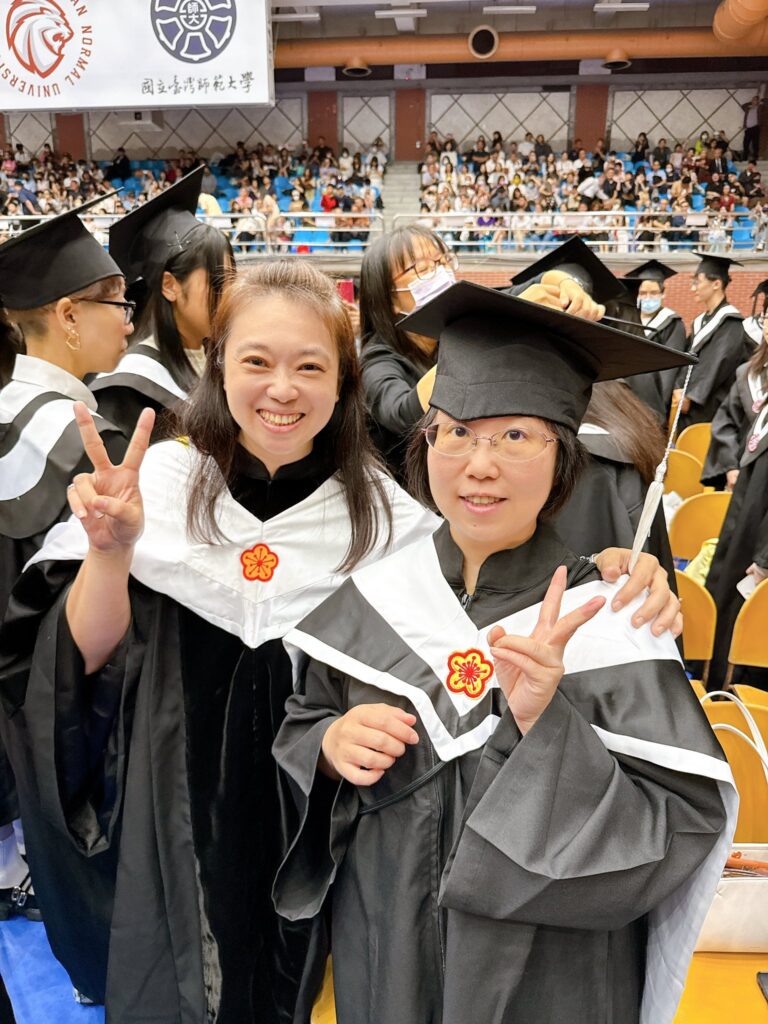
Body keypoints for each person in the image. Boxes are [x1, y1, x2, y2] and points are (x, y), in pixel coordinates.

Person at [272, 281, 733, 1024]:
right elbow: (305, 721)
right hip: (385, 940)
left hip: (549, 971)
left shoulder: (610, 620)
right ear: (426, 445)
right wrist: (327, 746)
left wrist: (547, 727)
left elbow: (677, 825)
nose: (478, 465)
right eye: (455, 432)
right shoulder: (373, 598)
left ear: (564, 459)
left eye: (516, 437)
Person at [0, 260, 436, 1019]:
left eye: (310, 367)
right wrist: (111, 551)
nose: (282, 389)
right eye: (256, 361)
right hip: (170, 830)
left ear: (343, 381)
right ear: (219, 365)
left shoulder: (382, 521)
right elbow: (76, 669)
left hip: (323, 841)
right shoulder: (159, 487)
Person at [0, 200, 131, 971]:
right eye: (116, 302)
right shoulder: (81, 442)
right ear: (68, 315)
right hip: (50, 702)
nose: (128, 321)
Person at [360, 227, 604, 480]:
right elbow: (401, 414)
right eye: (422, 268)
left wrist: (566, 284)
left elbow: (562, 274)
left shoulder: (462, 318)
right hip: (419, 487)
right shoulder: (377, 359)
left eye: (443, 261)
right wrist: (496, 330)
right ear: (389, 298)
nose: (440, 272)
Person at [91, 168, 234, 438]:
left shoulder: (217, 358)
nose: (228, 295)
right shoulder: (128, 388)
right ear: (170, 286)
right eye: (217, 282)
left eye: (231, 281)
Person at [705, 303, 768, 688]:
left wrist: (765, 558)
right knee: (729, 593)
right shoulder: (751, 374)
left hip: (762, 531)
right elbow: (726, 423)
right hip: (746, 509)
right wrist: (731, 464)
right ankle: (720, 685)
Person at [672, 253, 752, 433]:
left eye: (697, 282)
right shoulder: (700, 321)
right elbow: (686, 357)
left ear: (716, 284)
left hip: (712, 409)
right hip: (688, 407)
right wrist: (678, 387)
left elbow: (717, 363)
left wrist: (691, 395)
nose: (693, 288)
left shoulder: (732, 323)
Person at [622, 259, 687, 411]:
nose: (648, 298)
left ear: (663, 293)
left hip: (651, 402)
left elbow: (668, 372)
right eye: (643, 293)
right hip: (623, 398)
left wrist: (656, 407)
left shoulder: (672, 324)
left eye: (653, 293)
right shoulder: (628, 320)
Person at [742, 94, 763, 163]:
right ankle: (744, 158)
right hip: (748, 128)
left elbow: (766, 103)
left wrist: (760, 102)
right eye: (752, 99)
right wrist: (750, 104)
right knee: (745, 143)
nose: (753, 100)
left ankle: (755, 158)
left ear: (757, 101)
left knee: (755, 144)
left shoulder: (759, 107)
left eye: (755, 100)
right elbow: (743, 106)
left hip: (755, 127)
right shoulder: (748, 108)